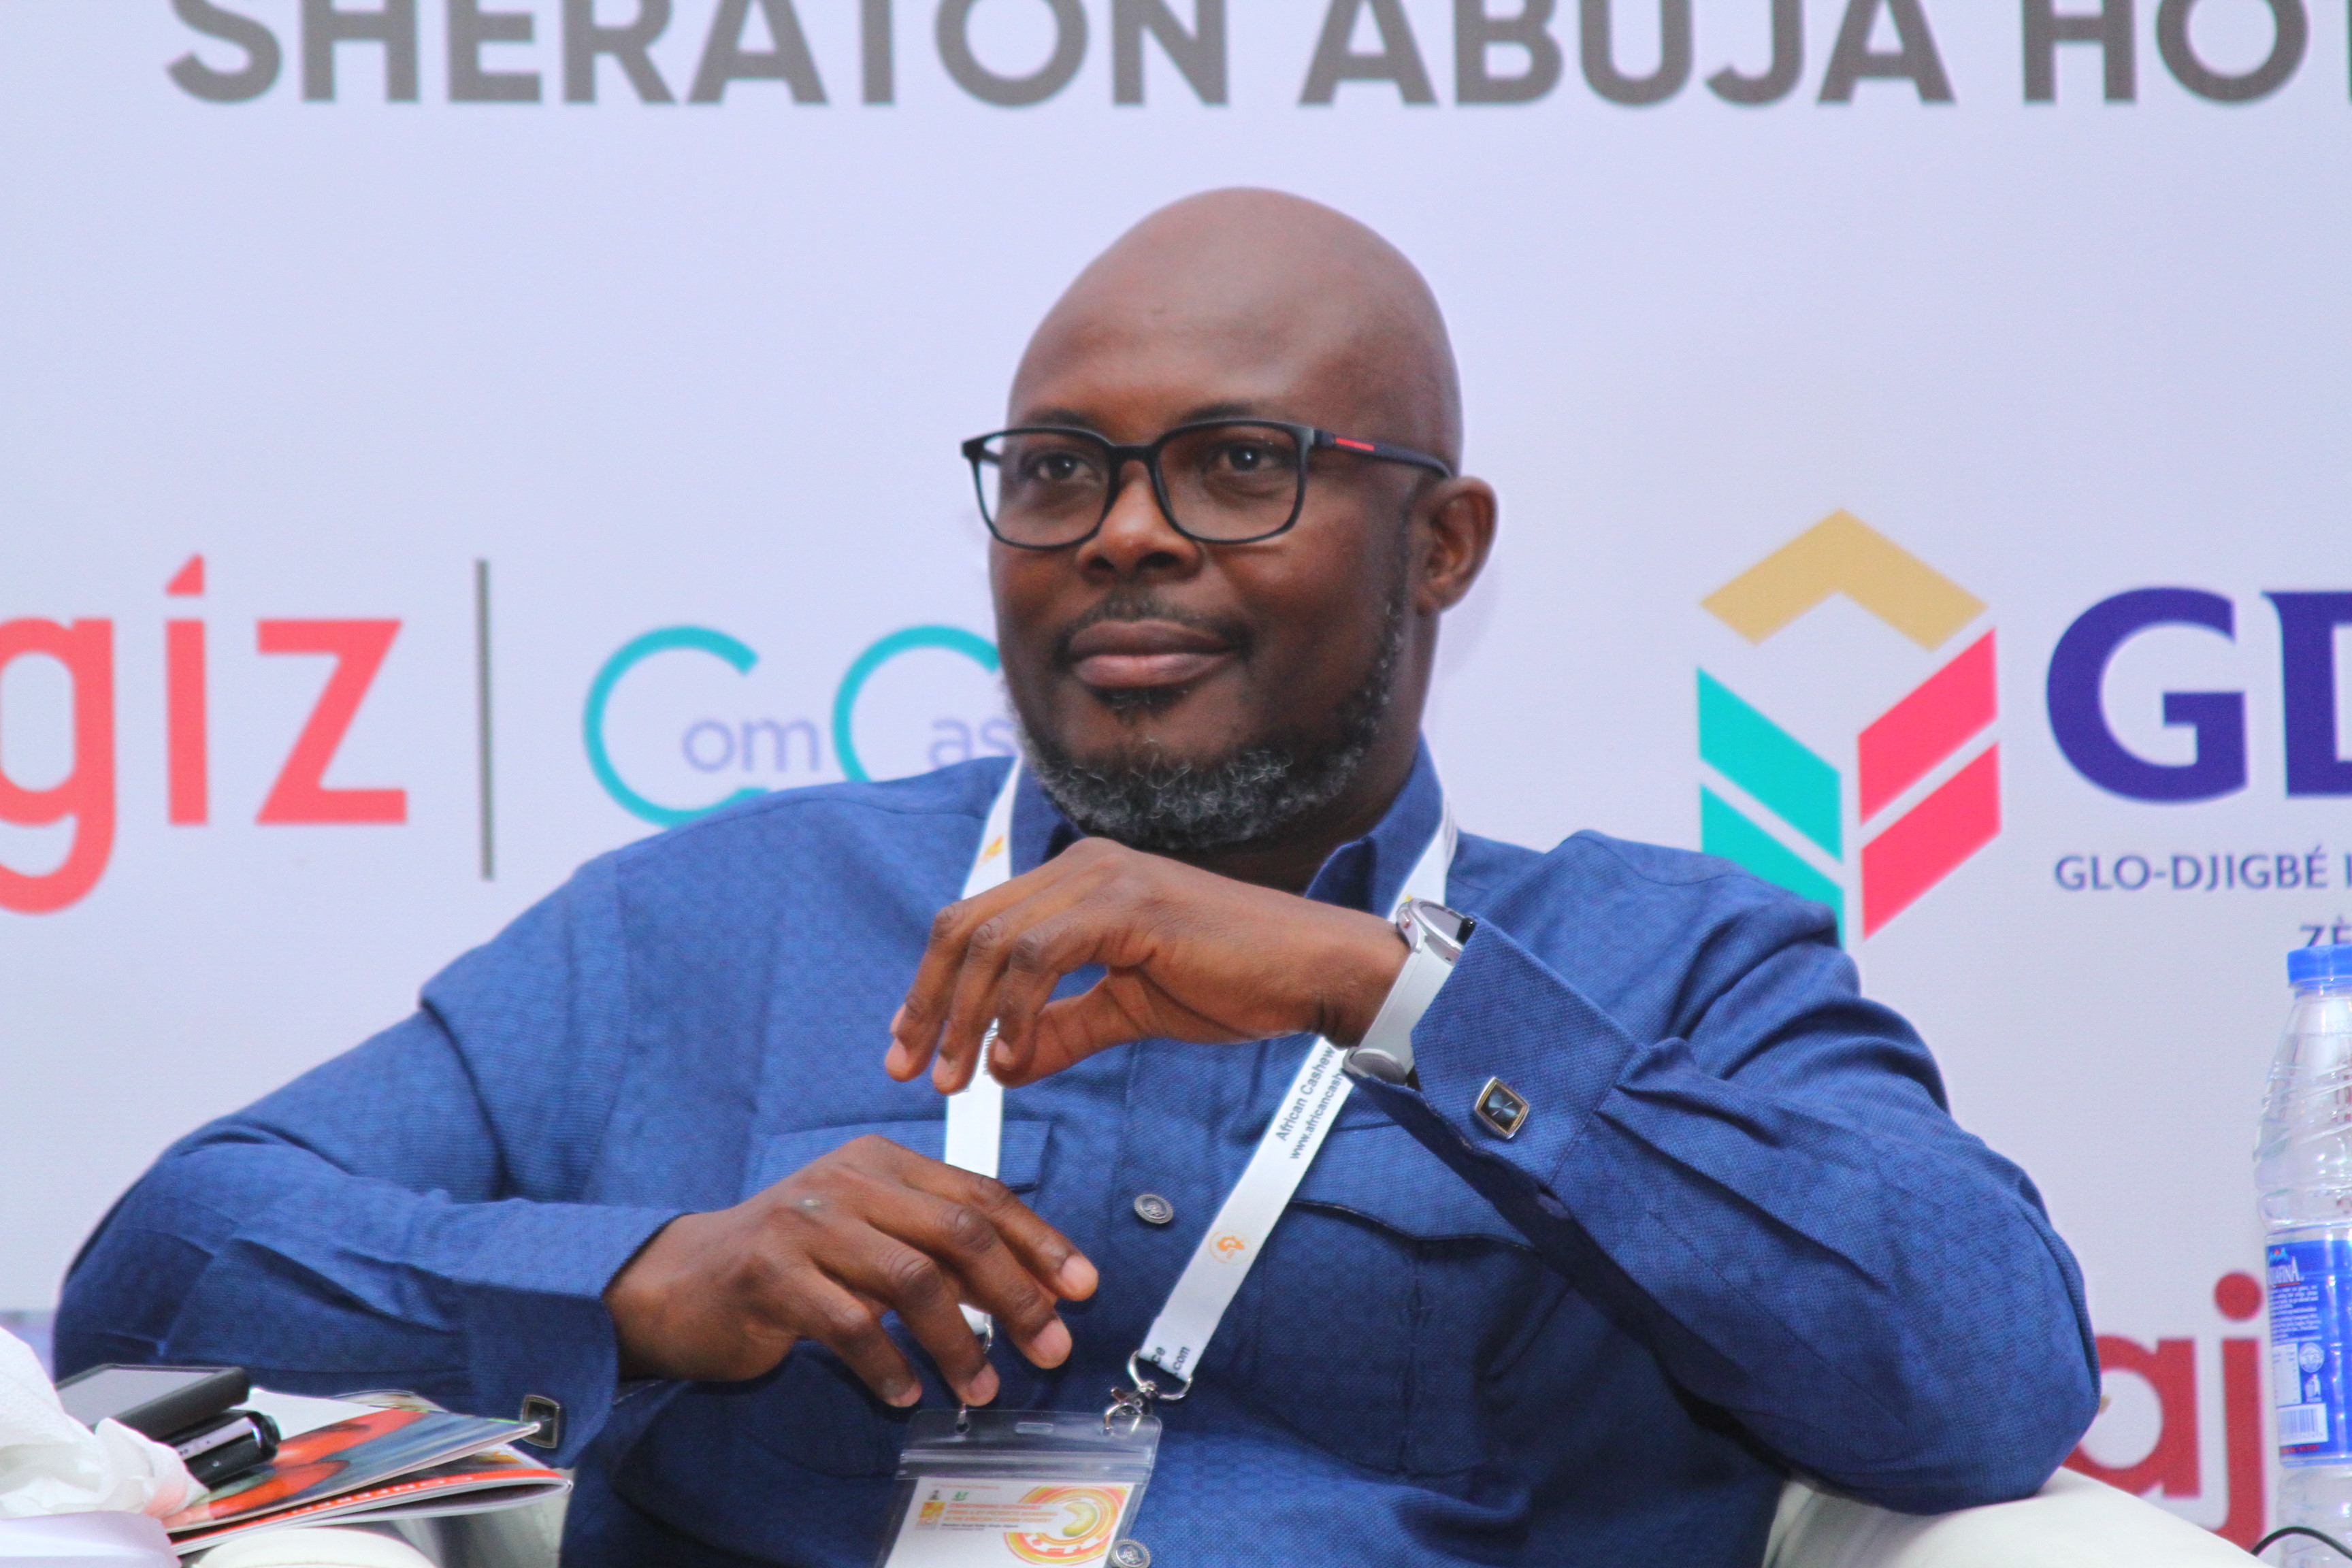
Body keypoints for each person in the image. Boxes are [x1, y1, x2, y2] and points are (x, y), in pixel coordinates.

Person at [56, 190, 2098, 1567]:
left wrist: (1386, 994)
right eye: (1057, 472)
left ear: (1442, 544)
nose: (1124, 531)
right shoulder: (720, 922)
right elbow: (162, 1269)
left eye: (1238, 464)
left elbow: (1985, 1383)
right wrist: (640, 1283)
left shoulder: (1667, 965)